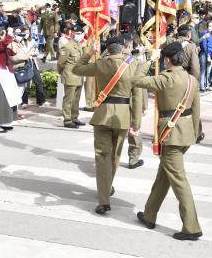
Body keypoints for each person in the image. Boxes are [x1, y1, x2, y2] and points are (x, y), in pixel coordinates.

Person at [134, 42, 202, 241]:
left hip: (170, 135)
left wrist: (148, 60)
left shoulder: (165, 78)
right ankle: (149, 214)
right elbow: (197, 110)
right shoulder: (191, 80)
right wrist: (194, 133)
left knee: (179, 182)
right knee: (163, 176)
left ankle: (191, 227)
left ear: (167, 60)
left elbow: (138, 80)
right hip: (186, 134)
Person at [73, 35, 145, 214]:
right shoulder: (134, 65)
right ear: (122, 49)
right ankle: (108, 186)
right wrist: (136, 123)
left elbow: (76, 68)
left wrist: (88, 53)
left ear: (108, 50)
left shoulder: (100, 63)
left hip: (103, 114)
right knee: (115, 156)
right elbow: (137, 96)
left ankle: (104, 200)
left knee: (102, 157)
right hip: (122, 116)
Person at [123, 33, 147, 169]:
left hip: (111, 103)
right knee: (134, 130)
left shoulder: (108, 59)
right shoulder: (135, 62)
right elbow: (139, 88)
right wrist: (144, 105)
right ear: (129, 46)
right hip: (130, 101)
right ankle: (133, 158)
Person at [58, 25, 85, 128]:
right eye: (77, 33)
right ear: (72, 33)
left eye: (81, 33)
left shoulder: (79, 45)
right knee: (69, 99)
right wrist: (62, 73)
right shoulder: (67, 46)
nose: (80, 35)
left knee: (76, 99)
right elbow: (61, 63)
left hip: (79, 76)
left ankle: (74, 117)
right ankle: (67, 120)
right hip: (70, 75)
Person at [198, 24, 212, 92]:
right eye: (209, 26)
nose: (210, 27)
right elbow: (204, 45)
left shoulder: (210, 34)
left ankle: (206, 84)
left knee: (208, 71)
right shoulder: (205, 33)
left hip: (209, 54)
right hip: (205, 54)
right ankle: (202, 86)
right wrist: (208, 55)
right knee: (203, 71)